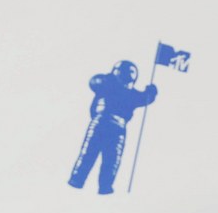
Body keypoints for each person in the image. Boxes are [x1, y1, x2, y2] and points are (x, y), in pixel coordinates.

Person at [67, 61, 157, 195]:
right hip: (112, 125)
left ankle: (80, 180)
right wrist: (151, 93)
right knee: (109, 158)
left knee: (94, 154)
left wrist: (150, 93)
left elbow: (95, 82)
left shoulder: (109, 86)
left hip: (104, 122)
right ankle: (101, 185)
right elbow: (145, 98)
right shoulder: (113, 87)